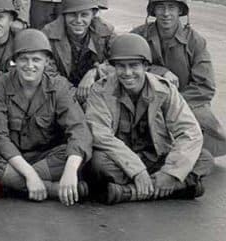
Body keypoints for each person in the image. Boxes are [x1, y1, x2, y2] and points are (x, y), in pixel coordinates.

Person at [86, 34, 212, 204]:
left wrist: (170, 173)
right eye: (121, 67)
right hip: (121, 160)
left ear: (146, 66)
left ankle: (128, 192)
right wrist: (137, 171)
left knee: (204, 158)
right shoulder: (100, 90)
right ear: (114, 67)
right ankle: (177, 188)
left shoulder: (165, 90)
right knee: (97, 162)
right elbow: (99, 134)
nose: (128, 73)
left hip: (155, 158)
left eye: (134, 66)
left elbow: (189, 132)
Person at [0, 29, 92, 205]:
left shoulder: (59, 87)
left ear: (47, 62)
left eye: (36, 60)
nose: (30, 65)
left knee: (72, 153)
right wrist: (30, 175)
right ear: (15, 61)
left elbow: (79, 129)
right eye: (23, 59)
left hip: (43, 158)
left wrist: (71, 171)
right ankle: (50, 189)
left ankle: (8, 185)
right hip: (9, 157)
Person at [130, 0, 226, 157]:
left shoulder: (195, 41)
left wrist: (172, 104)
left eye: (171, 7)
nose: (166, 14)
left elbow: (205, 87)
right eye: (160, 7)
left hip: (186, 101)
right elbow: (124, 66)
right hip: (145, 99)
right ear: (153, 11)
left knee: (202, 137)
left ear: (180, 11)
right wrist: (159, 71)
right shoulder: (138, 36)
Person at [41, 0, 115, 104]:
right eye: (72, 14)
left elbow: (121, 63)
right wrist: (74, 94)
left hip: (96, 93)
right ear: (64, 15)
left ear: (93, 15)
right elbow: (47, 73)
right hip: (60, 96)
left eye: (84, 15)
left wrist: (95, 72)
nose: (78, 20)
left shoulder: (105, 32)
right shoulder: (48, 35)